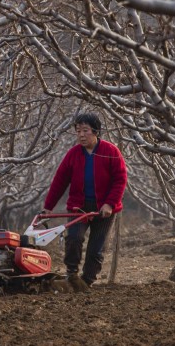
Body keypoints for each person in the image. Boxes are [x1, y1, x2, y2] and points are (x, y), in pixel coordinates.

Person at [43, 112, 128, 290]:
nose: (81, 135)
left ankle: (86, 281)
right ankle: (72, 274)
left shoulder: (110, 151)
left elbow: (120, 179)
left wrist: (109, 204)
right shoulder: (73, 154)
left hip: (103, 208)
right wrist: (48, 207)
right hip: (79, 206)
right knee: (74, 238)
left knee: (96, 248)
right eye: (78, 131)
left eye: (85, 130)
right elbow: (60, 181)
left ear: (96, 131)